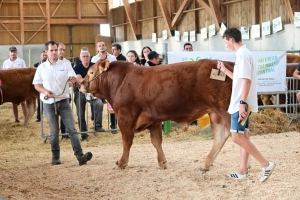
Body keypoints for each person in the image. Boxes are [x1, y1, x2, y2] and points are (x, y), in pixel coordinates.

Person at [217, 28, 275, 182]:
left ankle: (266, 164)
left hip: (240, 102)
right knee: (243, 135)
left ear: (231, 40)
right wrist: (224, 70)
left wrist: (241, 103)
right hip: (244, 101)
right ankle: (242, 171)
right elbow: (240, 78)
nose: (226, 45)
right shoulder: (245, 53)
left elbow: (247, 81)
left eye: (225, 42)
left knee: (236, 137)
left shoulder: (242, 55)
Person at [32, 40, 93, 166]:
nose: (54, 52)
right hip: (49, 103)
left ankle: (80, 156)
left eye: (56, 50)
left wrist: (72, 81)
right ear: (46, 52)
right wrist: (44, 91)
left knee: (72, 129)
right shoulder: (41, 68)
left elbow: (72, 80)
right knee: (55, 131)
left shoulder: (65, 64)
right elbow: (36, 84)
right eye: (52, 50)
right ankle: (55, 157)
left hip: (64, 101)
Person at [74, 48, 105, 141]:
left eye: (87, 56)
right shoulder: (77, 67)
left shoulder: (93, 66)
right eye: (83, 56)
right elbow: (79, 78)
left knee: (99, 104)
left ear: (90, 57)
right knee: (80, 112)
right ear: (80, 58)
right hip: (81, 91)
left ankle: (98, 126)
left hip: (93, 91)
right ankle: (83, 133)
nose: (85, 58)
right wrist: (88, 80)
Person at [91, 41, 118, 134]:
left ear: (106, 47)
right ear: (97, 48)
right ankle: (97, 125)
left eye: (103, 45)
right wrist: (100, 60)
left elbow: (115, 70)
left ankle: (113, 126)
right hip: (99, 85)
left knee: (112, 105)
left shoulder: (113, 58)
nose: (101, 47)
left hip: (110, 84)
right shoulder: (94, 59)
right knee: (98, 104)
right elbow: (95, 72)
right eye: (99, 46)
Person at [3, 46, 28, 123]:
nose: (13, 53)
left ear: (17, 52)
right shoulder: (6, 63)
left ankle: (26, 118)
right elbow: (3, 74)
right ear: (9, 53)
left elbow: (25, 73)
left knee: (23, 102)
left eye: (14, 52)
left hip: (20, 85)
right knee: (14, 102)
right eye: (11, 52)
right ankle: (16, 119)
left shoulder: (21, 61)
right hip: (11, 86)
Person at [34, 50, 48, 122]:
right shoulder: (36, 65)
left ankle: (48, 116)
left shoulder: (50, 65)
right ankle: (39, 117)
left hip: (48, 86)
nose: (45, 57)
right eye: (43, 55)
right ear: (41, 56)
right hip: (40, 86)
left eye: (46, 55)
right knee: (39, 102)